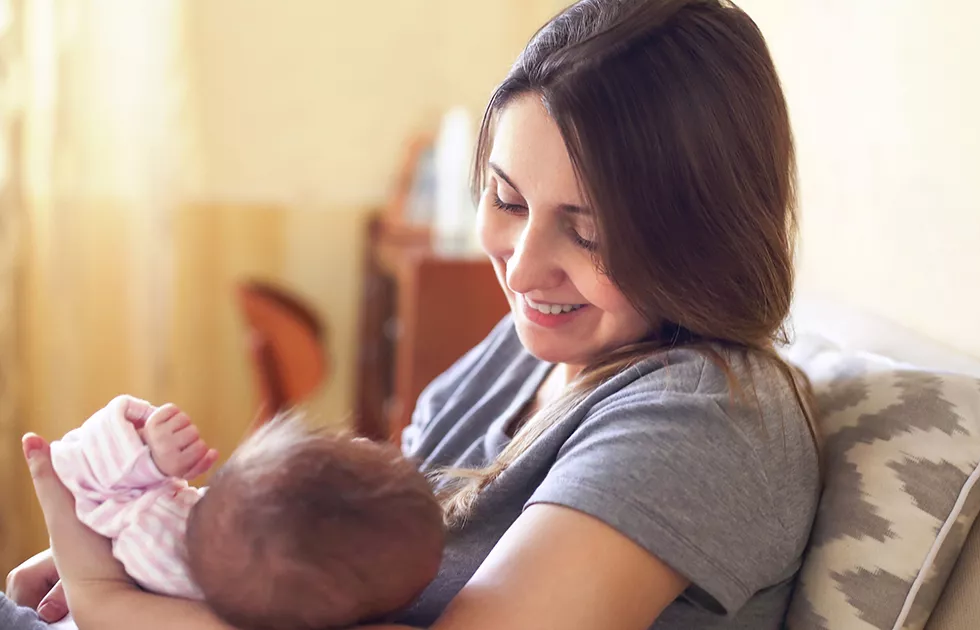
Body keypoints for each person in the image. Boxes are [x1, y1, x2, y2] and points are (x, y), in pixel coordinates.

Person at [5, 1, 821, 628]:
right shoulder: (540, 342)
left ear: (703, 233)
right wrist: (158, 544)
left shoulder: (702, 420)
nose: (523, 265)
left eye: (590, 232)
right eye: (505, 198)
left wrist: (114, 597)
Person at [5, 396, 443, 630]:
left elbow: (74, 466)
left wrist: (150, 453)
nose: (366, 441)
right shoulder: (242, 568)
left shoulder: (159, 535)